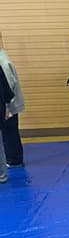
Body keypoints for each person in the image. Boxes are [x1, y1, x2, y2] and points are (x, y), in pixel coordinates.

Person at [0, 37, 26, 167]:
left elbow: (8, 85)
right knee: (9, 132)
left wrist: (8, 106)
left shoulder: (3, 61)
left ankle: (13, 160)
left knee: (9, 132)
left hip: (8, 104)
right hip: (7, 103)